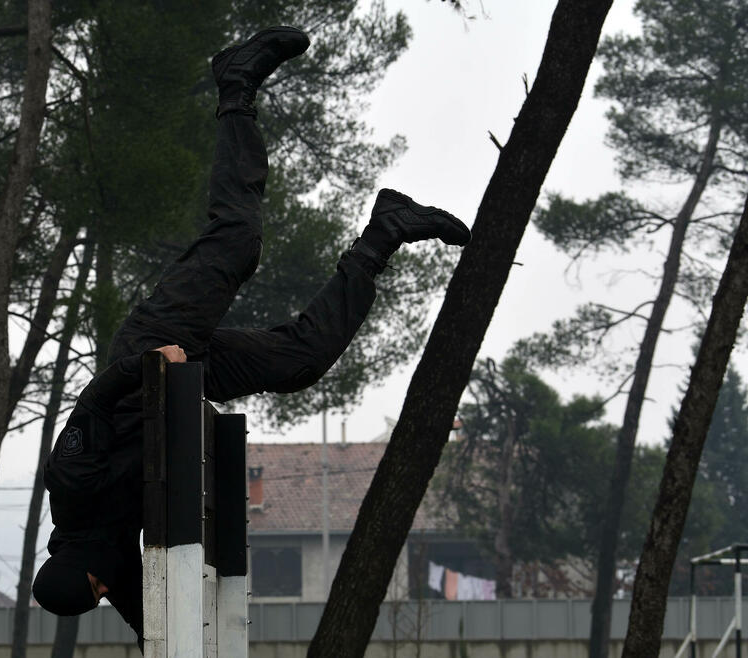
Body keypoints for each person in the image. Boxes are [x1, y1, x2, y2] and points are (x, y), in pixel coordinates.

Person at [31, 25, 471, 651]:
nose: (107, 590)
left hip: (151, 356)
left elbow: (94, 401)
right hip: (188, 389)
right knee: (303, 361)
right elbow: (151, 627)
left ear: (79, 570)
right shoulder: (113, 567)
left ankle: (235, 84)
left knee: (237, 241)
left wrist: (149, 367)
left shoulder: (71, 491)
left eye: (97, 586)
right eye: (101, 594)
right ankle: (385, 231)